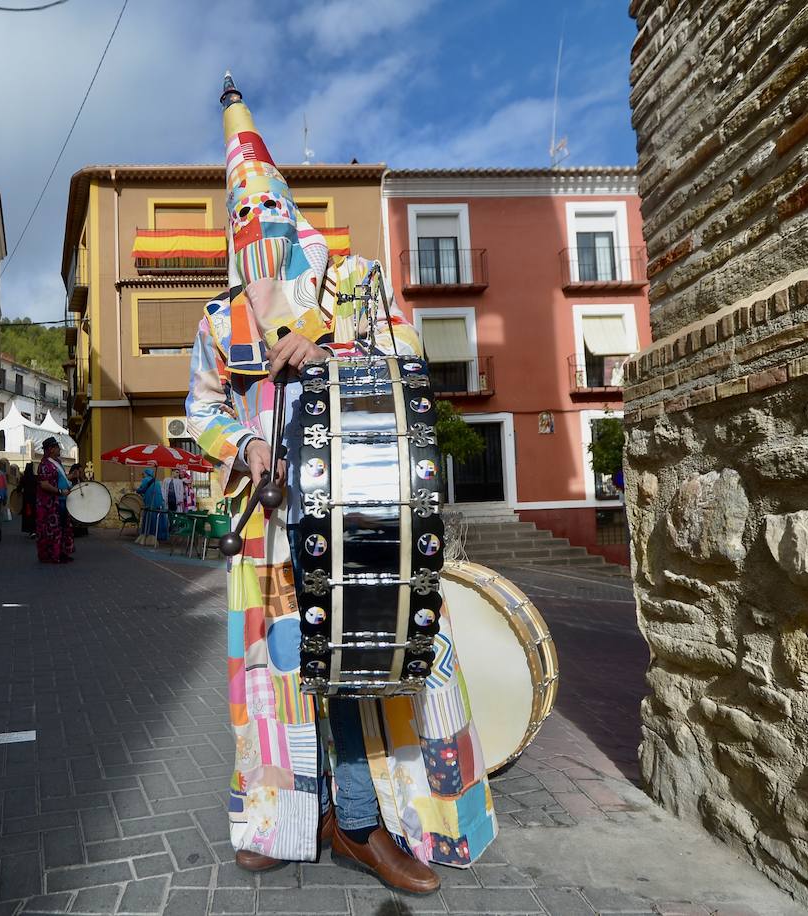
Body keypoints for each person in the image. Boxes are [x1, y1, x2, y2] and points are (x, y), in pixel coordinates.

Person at [183, 75, 497, 893]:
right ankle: (288, 819)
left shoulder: (354, 283)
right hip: (273, 526)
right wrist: (247, 442)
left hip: (367, 513)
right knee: (280, 670)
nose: (257, 239)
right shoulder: (221, 319)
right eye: (241, 227)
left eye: (267, 221)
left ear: (289, 215)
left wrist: (331, 355)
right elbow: (199, 407)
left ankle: (364, 822)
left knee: (367, 661)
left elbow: (410, 363)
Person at [35, 437, 73, 563]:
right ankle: (52, 555)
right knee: (52, 529)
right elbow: (44, 484)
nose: (59, 449)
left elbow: (61, 478)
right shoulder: (45, 465)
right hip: (50, 504)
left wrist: (71, 478)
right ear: (50, 449)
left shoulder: (57, 462)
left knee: (62, 528)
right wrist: (60, 491)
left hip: (61, 501)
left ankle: (62, 553)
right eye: (57, 447)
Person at [135, 468, 167, 547]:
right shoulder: (156, 481)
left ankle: (149, 536)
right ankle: (158, 536)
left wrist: (137, 490)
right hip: (159, 503)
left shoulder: (145, 480)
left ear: (146, 473)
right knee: (157, 519)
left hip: (150, 502)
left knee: (150, 518)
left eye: (144, 473)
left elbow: (142, 489)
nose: (143, 475)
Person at [19, 463, 39, 538]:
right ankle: (35, 530)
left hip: (27, 500)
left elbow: (19, 488)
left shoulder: (24, 478)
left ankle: (31, 530)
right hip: (35, 499)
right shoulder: (35, 478)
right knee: (35, 514)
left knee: (28, 514)